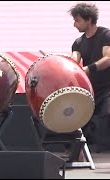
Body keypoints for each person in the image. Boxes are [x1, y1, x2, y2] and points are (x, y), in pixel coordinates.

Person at [69, 2, 110, 153]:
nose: (74, 24)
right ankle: (80, 152)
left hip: (107, 89)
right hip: (90, 91)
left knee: (107, 114)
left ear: (89, 20)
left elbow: (108, 59)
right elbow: (74, 61)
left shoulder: (106, 35)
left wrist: (88, 68)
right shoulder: (78, 43)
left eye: (77, 20)